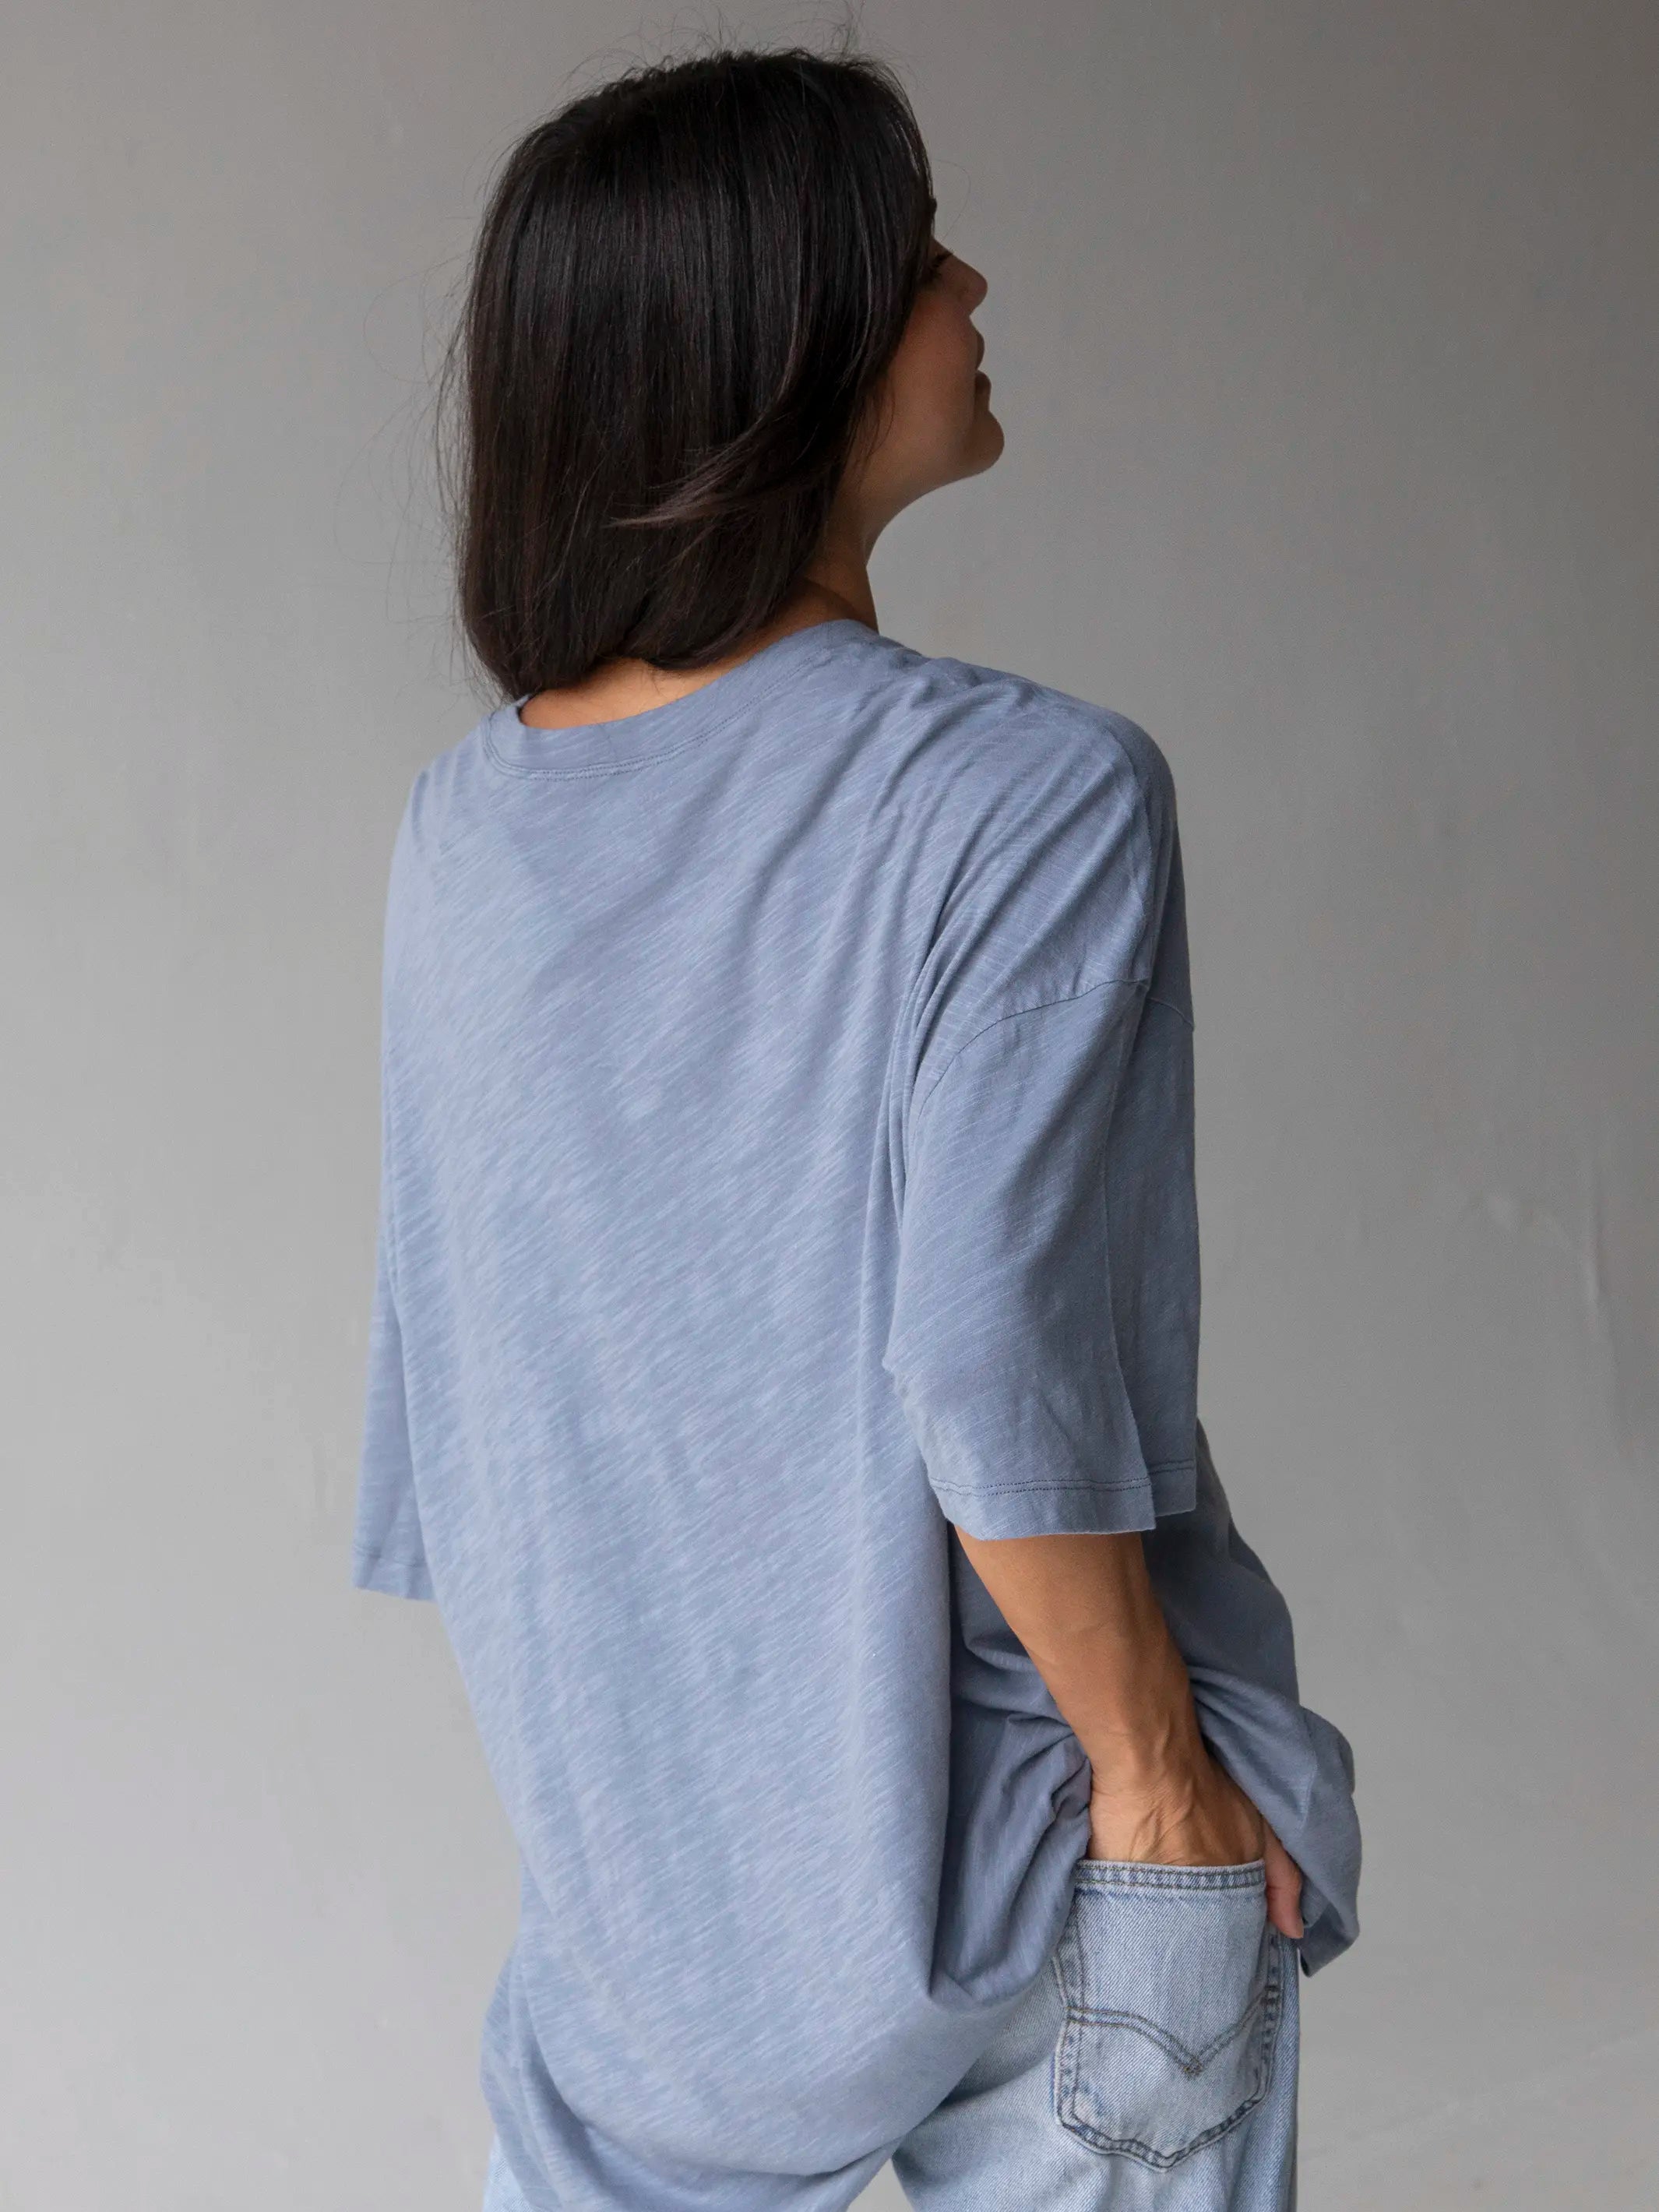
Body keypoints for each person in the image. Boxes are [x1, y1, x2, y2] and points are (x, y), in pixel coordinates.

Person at [350, 41, 1361, 2212]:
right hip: (1042, 1834)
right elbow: (995, 1369)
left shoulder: (462, 833)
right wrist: (1159, 1778)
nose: (970, 287)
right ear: (777, 343)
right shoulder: (1028, 796)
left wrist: (654, 1845)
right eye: (914, 262)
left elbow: (472, 1416)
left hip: (654, 1927)